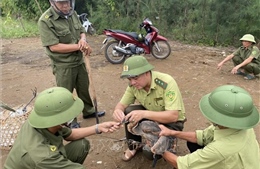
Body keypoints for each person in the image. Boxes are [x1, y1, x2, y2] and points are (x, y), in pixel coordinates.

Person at [4, 87, 120, 169]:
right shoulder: (43, 155)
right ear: (58, 119)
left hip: (42, 162)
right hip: (40, 163)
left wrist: (98, 127)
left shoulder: (45, 121)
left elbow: (70, 135)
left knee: (81, 145)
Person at [154, 85, 260, 169]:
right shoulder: (238, 124)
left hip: (230, 159)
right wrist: (172, 132)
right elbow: (201, 136)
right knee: (193, 143)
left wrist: (159, 148)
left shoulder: (220, 149)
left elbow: (182, 165)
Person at [38, 0, 105, 128]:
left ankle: (89, 111)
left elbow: (81, 30)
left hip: (79, 61)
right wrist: (79, 46)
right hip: (63, 65)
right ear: (52, 3)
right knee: (65, 94)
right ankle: (70, 120)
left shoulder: (72, 13)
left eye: (67, 2)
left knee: (83, 87)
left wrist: (83, 40)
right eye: (61, 3)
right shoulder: (45, 20)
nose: (65, 6)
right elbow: (54, 47)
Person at [112, 55, 186, 161]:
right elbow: (122, 104)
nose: (132, 82)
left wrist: (143, 114)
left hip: (172, 123)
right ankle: (133, 146)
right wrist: (117, 110)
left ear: (147, 72)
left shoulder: (166, 82)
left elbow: (173, 116)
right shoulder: (133, 86)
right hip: (152, 116)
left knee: (149, 153)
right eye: (129, 79)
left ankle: (171, 140)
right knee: (129, 111)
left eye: (135, 77)